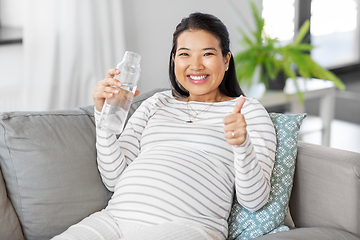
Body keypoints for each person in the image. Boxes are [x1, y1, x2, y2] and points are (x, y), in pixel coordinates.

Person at [53, 12, 276, 240]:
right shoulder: (156, 103)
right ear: (174, 60)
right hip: (114, 219)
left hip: (188, 226)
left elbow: (255, 200)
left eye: (207, 54)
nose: (195, 65)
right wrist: (103, 115)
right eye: (184, 54)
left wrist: (242, 145)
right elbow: (114, 178)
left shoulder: (247, 110)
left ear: (226, 60)